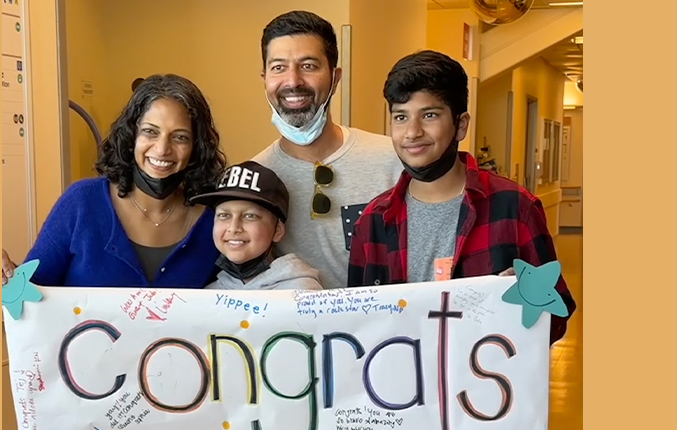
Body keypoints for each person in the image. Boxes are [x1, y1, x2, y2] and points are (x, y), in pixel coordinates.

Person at [347, 50, 576, 344]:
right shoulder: (373, 221)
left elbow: (556, 318)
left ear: (461, 125)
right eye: (401, 117)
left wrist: (522, 302)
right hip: (400, 386)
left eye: (429, 115)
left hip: (485, 381)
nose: (412, 132)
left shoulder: (515, 208)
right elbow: (357, 325)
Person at [1, 74, 227, 288]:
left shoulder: (215, 222)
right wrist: (5, 275)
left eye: (180, 137)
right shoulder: (81, 203)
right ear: (131, 136)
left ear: (197, 147)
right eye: (150, 132)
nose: (162, 149)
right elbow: (32, 288)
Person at [252, 10, 404, 290]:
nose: (293, 81)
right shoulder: (255, 181)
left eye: (308, 65)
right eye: (278, 67)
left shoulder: (393, 161)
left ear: (335, 78)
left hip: (389, 331)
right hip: (297, 332)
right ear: (264, 79)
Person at [189, 161, 323, 291]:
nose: (234, 227)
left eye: (249, 216)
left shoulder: (302, 293)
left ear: (277, 230)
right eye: (224, 215)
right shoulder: (208, 294)